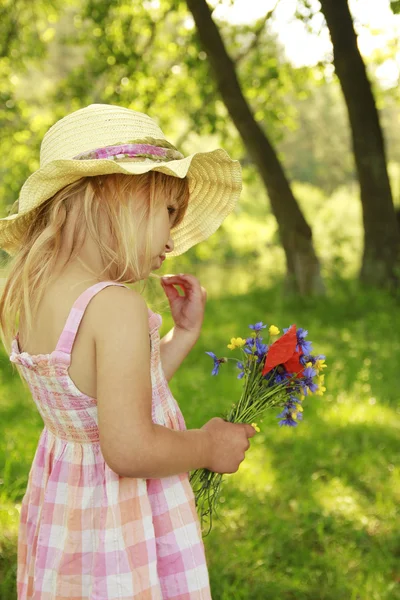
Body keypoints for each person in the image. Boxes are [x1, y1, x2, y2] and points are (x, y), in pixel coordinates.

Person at [0, 103, 258, 600]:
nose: (172, 238)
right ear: (112, 193)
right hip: (119, 523)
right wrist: (208, 446)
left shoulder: (27, 297)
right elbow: (130, 448)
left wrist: (179, 337)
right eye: (167, 212)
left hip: (68, 516)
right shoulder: (115, 307)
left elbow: (103, 396)